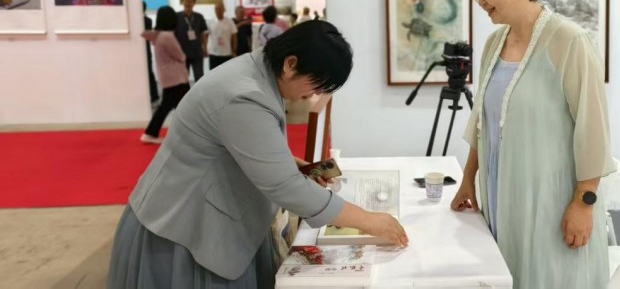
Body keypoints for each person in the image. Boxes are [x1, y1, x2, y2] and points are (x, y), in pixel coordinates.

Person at [107, 21, 408, 288]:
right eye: (315, 84)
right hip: (183, 229)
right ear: (291, 64)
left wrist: (289, 164)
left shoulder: (256, 70)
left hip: (198, 214)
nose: (313, 95)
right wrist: (367, 220)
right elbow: (285, 187)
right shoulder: (246, 96)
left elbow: (241, 146)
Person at [450, 0, 615, 289]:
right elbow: (483, 123)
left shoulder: (569, 41)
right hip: (501, 190)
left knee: (551, 276)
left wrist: (584, 203)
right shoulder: (494, 44)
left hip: (551, 197)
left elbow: (593, 130)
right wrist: (467, 179)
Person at [139, 6, 190, 145]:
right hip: (176, 77)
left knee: (173, 106)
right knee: (182, 106)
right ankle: (151, 133)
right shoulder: (167, 36)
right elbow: (180, 56)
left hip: (168, 76)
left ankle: (153, 133)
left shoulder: (157, 35)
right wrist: (183, 56)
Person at [175, 0, 208, 82]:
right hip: (182, 52)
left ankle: (199, 91)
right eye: (186, 1)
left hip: (197, 51)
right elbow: (173, 35)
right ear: (182, 2)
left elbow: (203, 34)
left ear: (194, 3)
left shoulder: (199, 17)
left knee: (199, 77)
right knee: (183, 78)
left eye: (190, 1)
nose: (188, 3)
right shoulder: (176, 16)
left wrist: (205, 48)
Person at [209, 2, 238, 70]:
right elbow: (206, 35)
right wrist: (205, 48)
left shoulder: (230, 22)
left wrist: (234, 49)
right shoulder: (210, 22)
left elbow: (234, 36)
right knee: (213, 73)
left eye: (220, 9)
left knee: (226, 72)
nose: (218, 10)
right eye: (216, 9)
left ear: (224, 10)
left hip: (226, 53)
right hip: (213, 53)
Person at [143, 1, 159, 104]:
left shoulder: (147, 20)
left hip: (146, 50)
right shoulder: (146, 20)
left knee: (149, 72)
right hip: (142, 50)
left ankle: (154, 94)